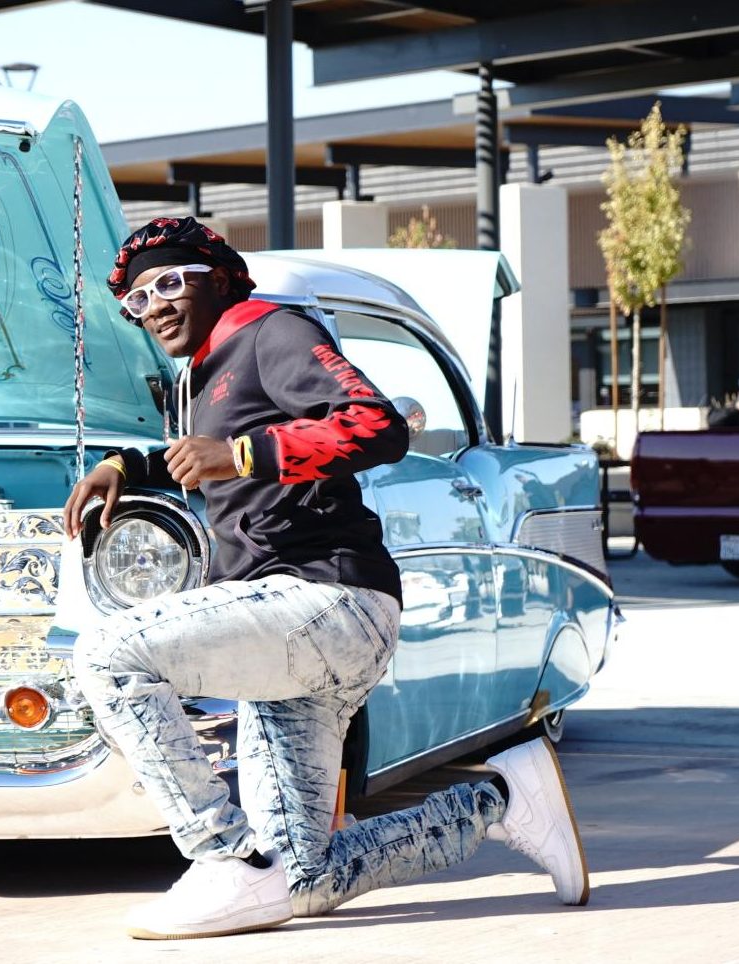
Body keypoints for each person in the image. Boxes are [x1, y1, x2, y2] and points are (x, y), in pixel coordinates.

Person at [64, 217, 589, 940]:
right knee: (301, 879)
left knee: (106, 655)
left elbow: (378, 425)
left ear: (218, 279)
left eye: (168, 283)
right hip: (295, 628)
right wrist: (132, 465)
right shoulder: (202, 373)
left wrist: (244, 455)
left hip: (325, 600)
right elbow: (203, 456)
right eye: (136, 299)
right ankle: (502, 797)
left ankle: (221, 860)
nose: (152, 305)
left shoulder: (269, 331)